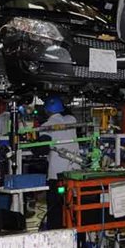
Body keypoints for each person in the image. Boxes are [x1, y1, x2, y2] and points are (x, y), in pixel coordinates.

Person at [40, 94, 79, 230]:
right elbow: (67, 112)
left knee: (55, 209)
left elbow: (42, 149)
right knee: (73, 205)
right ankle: (75, 233)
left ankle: (56, 233)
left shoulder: (45, 126)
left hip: (56, 174)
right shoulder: (72, 120)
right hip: (74, 171)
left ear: (47, 111)